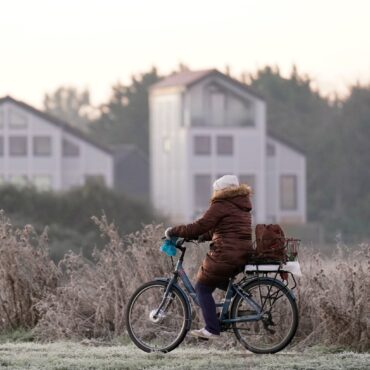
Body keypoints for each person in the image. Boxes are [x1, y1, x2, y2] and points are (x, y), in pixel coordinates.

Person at [165, 174, 253, 340]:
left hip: (226, 253)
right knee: (217, 280)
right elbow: (218, 229)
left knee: (202, 288)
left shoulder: (221, 204)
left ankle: (211, 328)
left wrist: (173, 231)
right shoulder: (241, 205)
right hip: (242, 253)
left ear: (222, 191)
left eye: (216, 190)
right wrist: (199, 237)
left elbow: (201, 225)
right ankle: (235, 300)